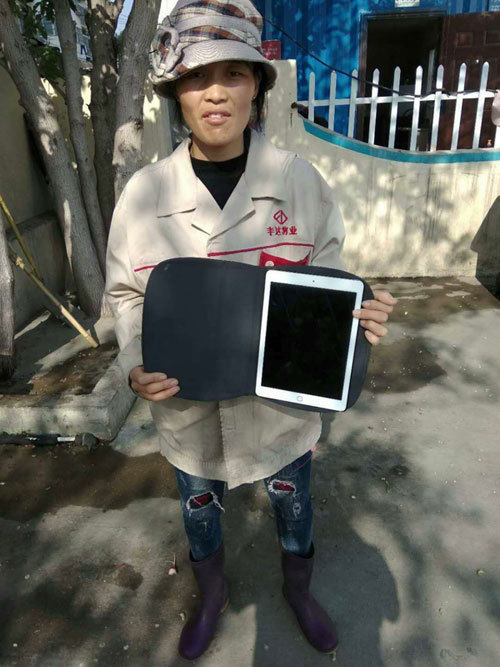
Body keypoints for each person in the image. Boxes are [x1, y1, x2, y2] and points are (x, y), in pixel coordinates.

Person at [105, 0, 397, 660]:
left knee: (295, 507)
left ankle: (299, 589)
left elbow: (327, 286)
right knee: (199, 512)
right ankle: (211, 596)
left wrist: (357, 318)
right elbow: (123, 295)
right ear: (175, 93)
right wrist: (134, 361)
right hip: (187, 411)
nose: (215, 92)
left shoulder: (300, 184)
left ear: (257, 87)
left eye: (234, 73)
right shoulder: (143, 197)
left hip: (279, 416)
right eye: (196, 76)